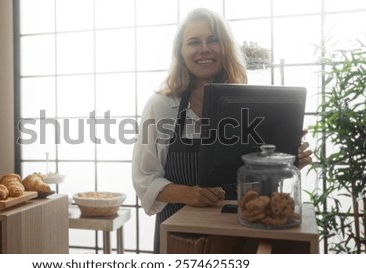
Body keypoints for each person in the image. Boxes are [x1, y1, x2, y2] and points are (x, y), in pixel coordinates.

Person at [131, 8, 312, 253]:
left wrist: (288, 161)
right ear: (181, 53)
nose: (204, 48)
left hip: (239, 230)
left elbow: (261, 178)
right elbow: (145, 177)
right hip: (180, 234)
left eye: (213, 40)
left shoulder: (251, 103)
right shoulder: (162, 105)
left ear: (225, 47)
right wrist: (188, 194)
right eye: (194, 42)